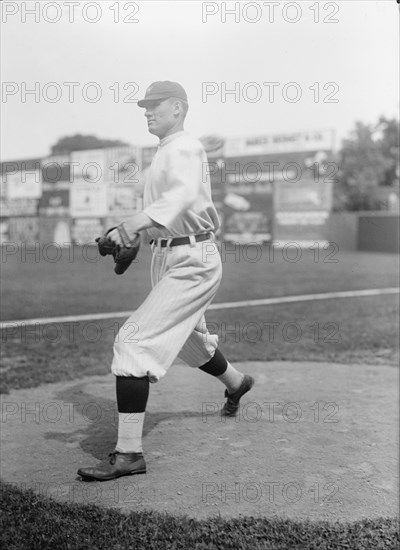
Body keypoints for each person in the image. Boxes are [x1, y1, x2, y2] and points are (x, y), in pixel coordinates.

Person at [77, 81, 254, 481]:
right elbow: (166, 203)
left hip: (193, 258)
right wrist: (135, 235)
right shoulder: (171, 151)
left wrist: (132, 224)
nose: (147, 111)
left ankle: (129, 454)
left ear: (178, 108)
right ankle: (238, 383)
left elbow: (183, 195)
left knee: (133, 341)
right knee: (189, 342)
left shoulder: (185, 148)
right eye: (144, 106)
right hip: (170, 255)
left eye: (155, 105)